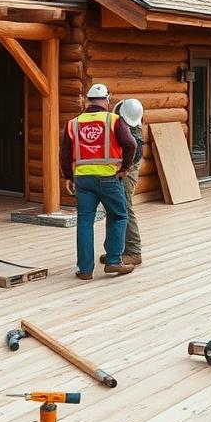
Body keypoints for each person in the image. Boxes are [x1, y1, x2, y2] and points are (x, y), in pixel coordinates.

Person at [61, 83, 137, 280]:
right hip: (109, 179)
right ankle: (113, 261)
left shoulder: (73, 123)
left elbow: (66, 153)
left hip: (83, 180)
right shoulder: (114, 120)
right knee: (119, 216)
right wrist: (125, 168)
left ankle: (85, 270)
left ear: (88, 100)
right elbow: (131, 144)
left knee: (85, 222)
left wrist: (68, 176)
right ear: (107, 99)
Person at [110, 98, 143, 265]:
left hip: (127, 173)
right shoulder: (130, 126)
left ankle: (134, 251)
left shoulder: (134, 137)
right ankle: (117, 251)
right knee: (117, 208)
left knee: (125, 207)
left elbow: (131, 156)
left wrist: (121, 170)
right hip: (122, 171)